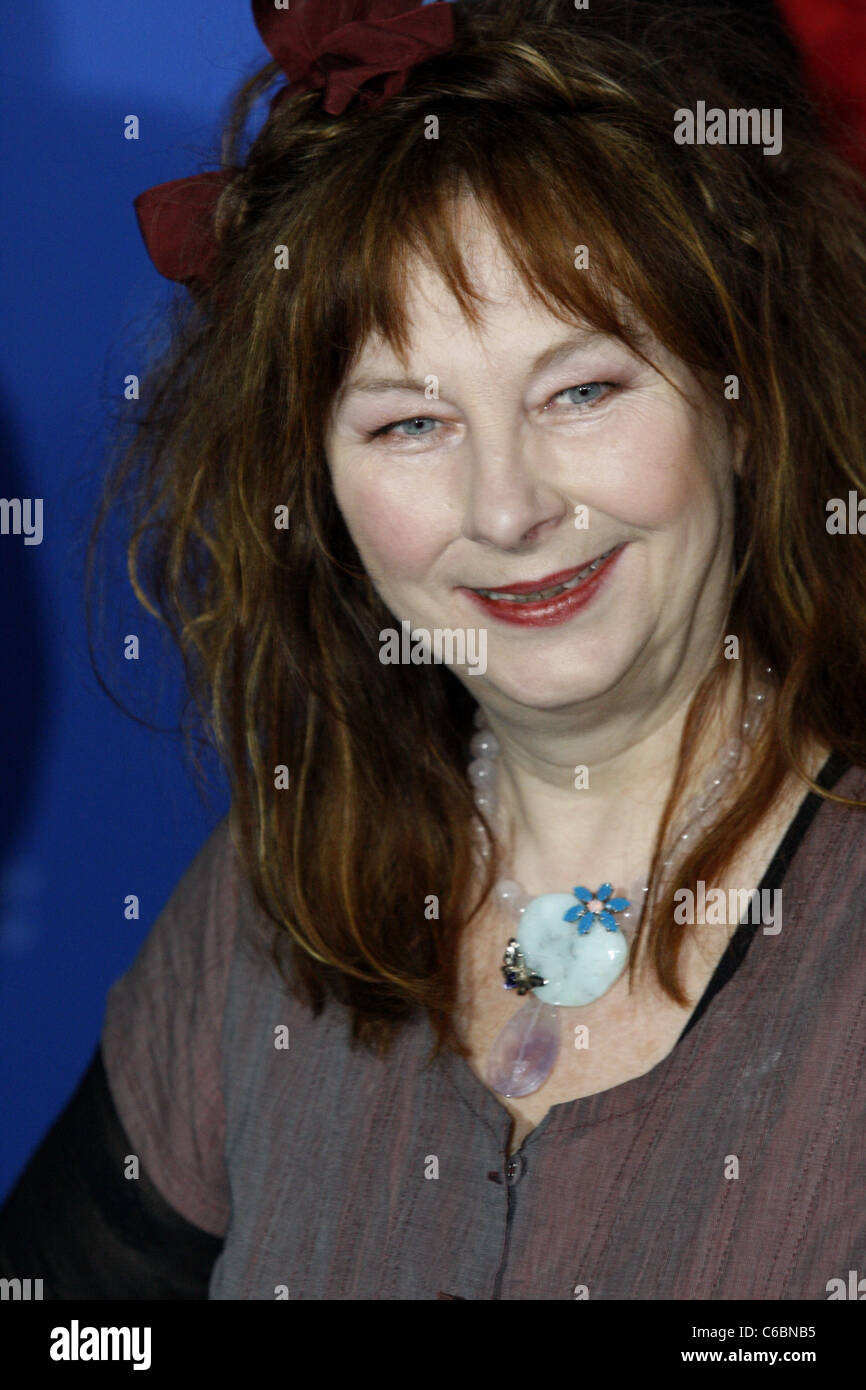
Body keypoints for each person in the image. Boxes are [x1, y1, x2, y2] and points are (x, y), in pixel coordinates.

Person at [2, 0, 866, 1300]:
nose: (507, 508)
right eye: (409, 423)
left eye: (581, 390)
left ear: (741, 404)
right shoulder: (274, 891)